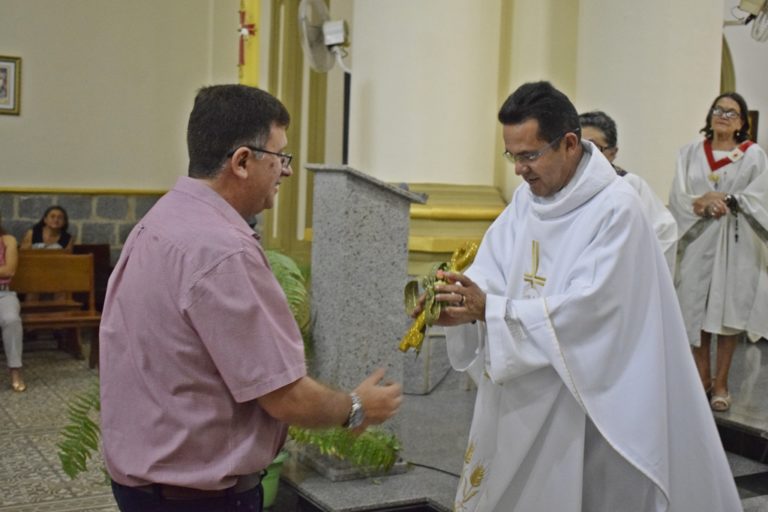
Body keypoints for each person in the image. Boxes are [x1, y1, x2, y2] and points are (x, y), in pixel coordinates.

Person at [413, 81, 740, 511]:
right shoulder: (527, 200)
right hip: (523, 388)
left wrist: (491, 309)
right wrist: (459, 304)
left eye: (529, 155)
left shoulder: (617, 208)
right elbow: (492, 268)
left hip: (589, 397)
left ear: (569, 143)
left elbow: (592, 309)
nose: (519, 169)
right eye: (512, 156)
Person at [99, 84, 402, 512]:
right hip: (199, 501)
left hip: (144, 487)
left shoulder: (160, 220)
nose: (286, 171)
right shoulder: (223, 250)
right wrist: (356, 406)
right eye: (280, 156)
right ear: (242, 161)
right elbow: (285, 396)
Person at [668, 92, 768, 413]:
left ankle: (722, 383)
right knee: (695, 309)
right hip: (698, 239)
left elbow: (762, 197)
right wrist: (700, 202)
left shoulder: (753, 156)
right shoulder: (690, 153)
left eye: (731, 112)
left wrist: (729, 199)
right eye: (718, 110)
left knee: (728, 314)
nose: (723, 116)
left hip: (736, 243)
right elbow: (679, 196)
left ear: (741, 122)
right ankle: (702, 378)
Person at [579, 110, 678, 274]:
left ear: (613, 153)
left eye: (593, 148)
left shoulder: (631, 185)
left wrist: (632, 267)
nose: (583, 155)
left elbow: (665, 231)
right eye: (578, 146)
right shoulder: (560, 189)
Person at [0, 214, 25, 392]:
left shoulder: (8, 240)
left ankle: (15, 370)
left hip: (3, 293)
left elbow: (9, 270)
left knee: (12, 320)